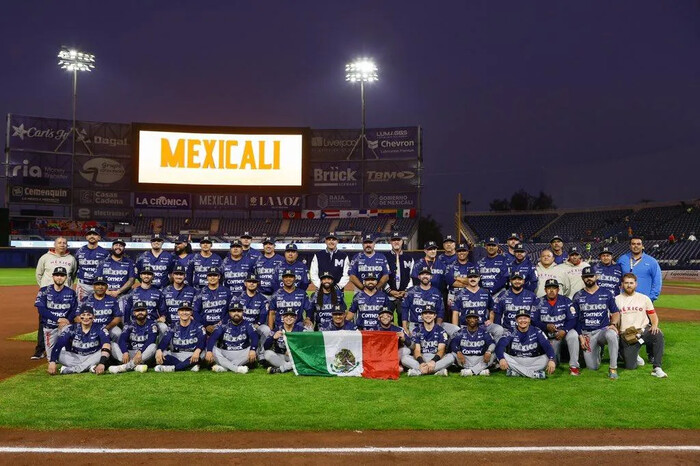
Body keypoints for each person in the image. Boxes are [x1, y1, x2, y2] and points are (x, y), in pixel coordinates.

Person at [32, 237, 78, 359]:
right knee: (44, 322)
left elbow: (72, 275)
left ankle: (68, 350)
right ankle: (40, 350)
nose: (62, 245)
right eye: (59, 243)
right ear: (55, 244)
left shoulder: (71, 259)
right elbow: (39, 274)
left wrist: (65, 287)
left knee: (67, 322)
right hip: (48, 295)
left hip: (66, 295)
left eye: (64, 243)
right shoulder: (45, 257)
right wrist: (45, 289)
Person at [572, 266, 621, 379]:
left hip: (602, 331)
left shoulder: (606, 293)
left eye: (591, 276)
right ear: (582, 278)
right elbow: (575, 319)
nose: (589, 278)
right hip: (587, 333)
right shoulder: (578, 296)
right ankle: (597, 351)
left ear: (596, 276)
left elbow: (615, 312)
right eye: (586, 277)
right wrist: (580, 336)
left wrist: (613, 324)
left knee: (612, 334)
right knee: (592, 367)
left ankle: (613, 368)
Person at [615, 273, 667, 377]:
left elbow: (653, 316)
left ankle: (657, 368)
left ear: (636, 284)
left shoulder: (644, 298)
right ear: (622, 284)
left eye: (631, 283)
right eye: (626, 283)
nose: (629, 285)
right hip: (627, 335)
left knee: (658, 334)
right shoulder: (616, 299)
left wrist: (655, 325)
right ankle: (633, 355)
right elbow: (614, 319)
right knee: (630, 366)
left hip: (643, 332)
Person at [532, 279, 580, 375]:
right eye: (549, 288)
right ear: (545, 290)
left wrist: (565, 330)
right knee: (555, 362)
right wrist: (545, 326)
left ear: (558, 290)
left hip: (563, 332)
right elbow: (533, 321)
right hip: (548, 335)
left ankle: (574, 366)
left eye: (554, 288)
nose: (551, 290)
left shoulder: (566, 301)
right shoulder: (538, 302)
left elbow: (573, 319)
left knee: (573, 334)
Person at [47, 306, 110, 375]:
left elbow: (106, 344)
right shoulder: (71, 328)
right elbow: (59, 344)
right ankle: (90, 367)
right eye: (83, 315)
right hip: (76, 357)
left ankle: (75, 369)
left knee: (107, 349)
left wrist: (101, 363)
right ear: (79, 317)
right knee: (58, 353)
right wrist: (52, 362)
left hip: (93, 356)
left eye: (89, 315)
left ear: (93, 317)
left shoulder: (100, 328)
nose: (86, 318)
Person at [495, 309, 556, 379]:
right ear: (516, 320)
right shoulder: (511, 331)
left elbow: (547, 346)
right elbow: (500, 345)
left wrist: (551, 360)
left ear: (529, 320)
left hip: (533, 360)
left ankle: (517, 372)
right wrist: (501, 359)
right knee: (501, 355)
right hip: (516, 359)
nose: (523, 321)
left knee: (547, 357)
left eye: (525, 318)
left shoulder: (536, 331)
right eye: (520, 318)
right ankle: (533, 374)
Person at [451, 267, 504, 341]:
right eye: (470, 277)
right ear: (467, 279)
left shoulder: (485, 292)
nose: (473, 279)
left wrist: (491, 320)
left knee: (499, 329)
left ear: (479, 278)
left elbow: (492, 308)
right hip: (465, 327)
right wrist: (455, 329)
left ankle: (494, 351)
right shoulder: (460, 294)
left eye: (475, 277)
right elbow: (455, 312)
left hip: (483, 326)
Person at [205, 303, 258, 373]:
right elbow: (212, 338)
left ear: (243, 312)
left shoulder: (248, 324)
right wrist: (209, 351)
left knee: (256, 349)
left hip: (242, 353)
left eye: (239, 311)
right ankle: (236, 368)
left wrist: (253, 350)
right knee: (209, 348)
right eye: (233, 311)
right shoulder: (223, 324)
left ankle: (225, 367)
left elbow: (254, 337)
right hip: (225, 353)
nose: (236, 313)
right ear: (229, 313)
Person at [154, 301, 207, 372]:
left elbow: (202, 340)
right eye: (182, 310)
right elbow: (165, 340)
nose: (184, 313)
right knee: (161, 354)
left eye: (187, 310)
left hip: (192, 354)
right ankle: (187, 366)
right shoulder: (173, 326)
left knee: (203, 353)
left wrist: (197, 351)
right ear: (178, 312)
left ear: (191, 313)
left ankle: (172, 368)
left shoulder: (198, 326)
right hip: (176, 354)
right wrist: (159, 350)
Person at [401, 305, 453, 377]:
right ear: (422, 316)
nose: (428, 316)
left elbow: (441, 350)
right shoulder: (417, 330)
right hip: (421, 357)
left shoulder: (441, 331)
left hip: (436, 357)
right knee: (404, 358)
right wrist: (422, 363)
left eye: (430, 313)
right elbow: (417, 351)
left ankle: (419, 371)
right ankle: (436, 371)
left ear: (435, 316)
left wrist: (433, 361)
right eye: (425, 313)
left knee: (451, 357)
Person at [109, 301, 158, 374]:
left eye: (142, 310)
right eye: (138, 310)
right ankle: (136, 366)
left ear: (146, 312)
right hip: (130, 353)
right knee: (111, 344)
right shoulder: (129, 325)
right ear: (134, 313)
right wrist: (125, 352)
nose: (140, 312)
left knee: (153, 346)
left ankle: (125, 367)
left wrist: (140, 351)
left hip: (143, 354)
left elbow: (151, 340)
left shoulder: (152, 324)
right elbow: (122, 339)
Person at [401, 268, 450, 334]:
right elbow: (405, 310)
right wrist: (405, 328)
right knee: (411, 343)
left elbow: (440, 311)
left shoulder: (437, 292)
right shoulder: (411, 291)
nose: (425, 276)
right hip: (415, 325)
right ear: (418, 277)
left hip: (431, 325)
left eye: (427, 274)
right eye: (422, 274)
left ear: (431, 277)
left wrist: (437, 327)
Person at [122, 265, 167, 335]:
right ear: (140, 276)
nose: (146, 276)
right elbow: (127, 311)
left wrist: (162, 317)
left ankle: (161, 346)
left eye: (149, 274)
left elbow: (163, 312)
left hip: (153, 322)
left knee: (164, 327)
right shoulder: (132, 292)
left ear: (152, 276)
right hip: (136, 323)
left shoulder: (158, 293)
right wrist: (127, 324)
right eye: (144, 274)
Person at [450, 309, 496, 376]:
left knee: (495, 353)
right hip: (465, 359)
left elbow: (492, 343)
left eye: (474, 318)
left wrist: (488, 351)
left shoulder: (483, 332)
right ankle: (479, 371)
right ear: (466, 319)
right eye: (470, 318)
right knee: (452, 354)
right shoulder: (461, 332)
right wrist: (458, 352)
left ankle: (471, 371)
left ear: (478, 319)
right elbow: (453, 343)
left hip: (480, 359)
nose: (472, 320)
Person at [78, 275, 122, 343]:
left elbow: (118, 317)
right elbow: (77, 316)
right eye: (97, 284)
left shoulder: (112, 300)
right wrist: (88, 327)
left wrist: (107, 328)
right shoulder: (86, 300)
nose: (100, 287)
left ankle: (115, 350)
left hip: (107, 327)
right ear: (93, 286)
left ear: (106, 287)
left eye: (103, 284)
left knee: (118, 333)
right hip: (89, 327)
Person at [617, 236, 663, 301]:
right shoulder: (622, 259)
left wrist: (650, 299)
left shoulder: (652, 261)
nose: (636, 246)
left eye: (638, 244)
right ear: (630, 246)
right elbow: (616, 278)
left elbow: (657, 281)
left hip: (643, 301)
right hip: (624, 300)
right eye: (633, 244)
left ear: (642, 246)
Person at [264, 307, 307, 374]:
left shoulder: (301, 330)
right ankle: (290, 367)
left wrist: (293, 350)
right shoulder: (277, 329)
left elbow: (306, 346)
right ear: (283, 318)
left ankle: (282, 368)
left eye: (292, 316)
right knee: (267, 354)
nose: (289, 318)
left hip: (295, 356)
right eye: (286, 316)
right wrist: (273, 338)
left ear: (295, 318)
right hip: (281, 356)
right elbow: (265, 346)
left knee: (304, 357)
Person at [370, 307, 412, 372]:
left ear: (391, 317)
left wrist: (403, 339)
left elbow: (409, 344)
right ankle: (390, 366)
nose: (385, 318)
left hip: (394, 354)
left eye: (388, 316)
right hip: (380, 354)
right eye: (382, 316)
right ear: (379, 318)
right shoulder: (374, 330)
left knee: (406, 350)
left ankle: (390, 366)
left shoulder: (398, 329)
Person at [384, 232, 414, 324]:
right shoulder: (384, 257)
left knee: (403, 322)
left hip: (403, 295)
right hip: (388, 296)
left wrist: (406, 291)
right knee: (387, 322)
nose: (396, 242)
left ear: (402, 242)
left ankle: (403, 338)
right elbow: (382, 277)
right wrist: (389, 290)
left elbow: (412, 277)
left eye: (398, 240)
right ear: (390, 242)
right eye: (394, 240)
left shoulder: (409, 258)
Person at [232, 273, 271, 342]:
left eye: (254, 282)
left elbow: (263, 316)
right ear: (245, 283)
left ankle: (260, 347)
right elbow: (232, 314)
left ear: (257, 284)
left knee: (266, 329)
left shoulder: (263, 299)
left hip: (255, 325)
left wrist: (257, 324)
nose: (252, 283)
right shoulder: (237, 297)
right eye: (249, 281)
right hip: (239, 324)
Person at [74, 228, 109, 303]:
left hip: (98, 285)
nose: (92, 236)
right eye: (89, 234)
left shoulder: (105, 253)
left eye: (95, 234)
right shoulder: (79, 251)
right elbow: (75, 266)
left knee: (98, 307)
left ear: (99, 237)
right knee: (81, 308)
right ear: (86, 237)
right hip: (83, 285)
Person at [193, 267, 231, 334]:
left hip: (223, 327)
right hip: (205, 328)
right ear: (207, 277)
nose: (212, 277)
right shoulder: (200, 292)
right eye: (210, 275)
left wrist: (223, 322)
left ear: (219, 277)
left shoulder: (227, 291)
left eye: (215, 275)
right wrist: (205, 325)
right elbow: (195, 311)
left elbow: (231, 310)